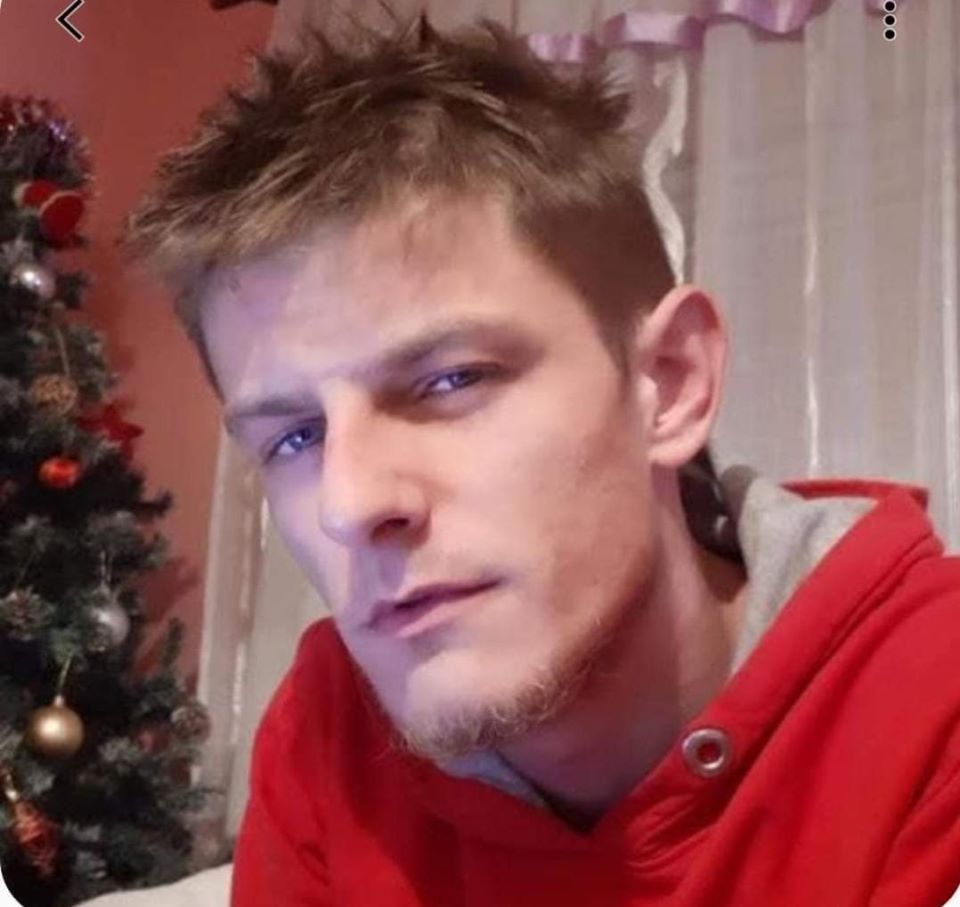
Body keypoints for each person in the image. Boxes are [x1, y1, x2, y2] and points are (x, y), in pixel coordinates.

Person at [121, 9, 960, 906]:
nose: (349, 502)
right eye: (294, 436)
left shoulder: (933, 706)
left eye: (450, 380)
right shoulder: (330, 728)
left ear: (671, 382)